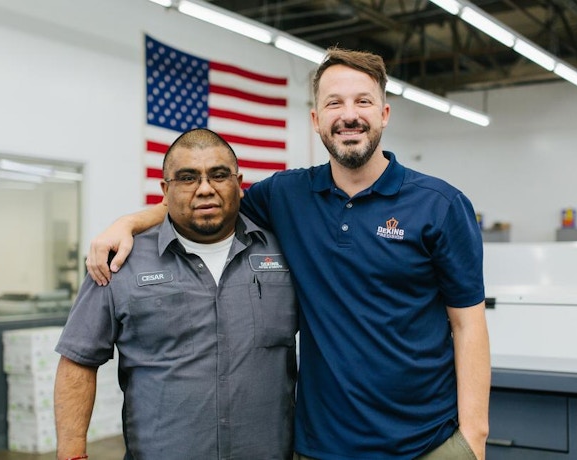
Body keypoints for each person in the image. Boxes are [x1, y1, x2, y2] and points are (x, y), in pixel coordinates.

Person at [87, 48, 490, 459]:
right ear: (316, 120)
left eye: (363, 101)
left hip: (427, 443)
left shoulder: (439, 204)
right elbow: (209, 198)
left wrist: (473, 437)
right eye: (334, 102)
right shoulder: (286, 196)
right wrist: (130, 222)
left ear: (384, 113)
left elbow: (467, 325)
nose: (349, 114)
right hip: (321, 446)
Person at [54, 128, 298, 460]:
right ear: (165, 190)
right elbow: (78, 360)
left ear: (239, 184)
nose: (205, 189)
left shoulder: (287, 253)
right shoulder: (121, 261)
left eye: (219, 175)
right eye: (187, 178)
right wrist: (72, 456)